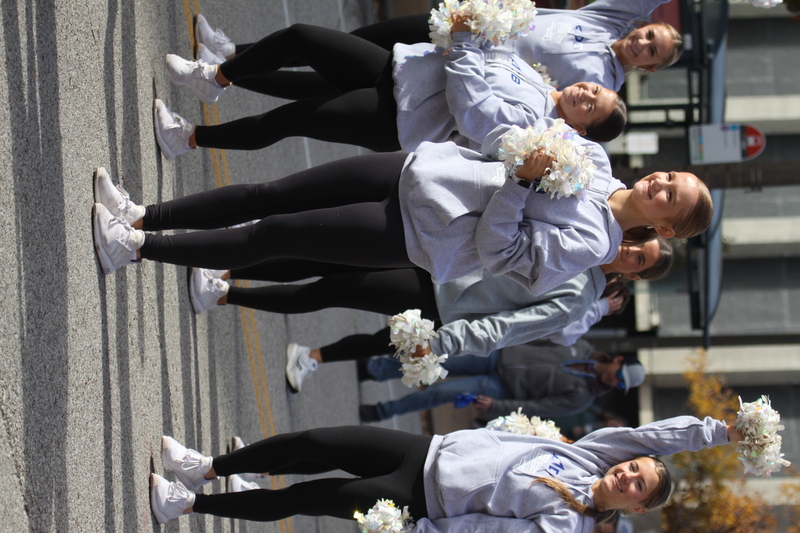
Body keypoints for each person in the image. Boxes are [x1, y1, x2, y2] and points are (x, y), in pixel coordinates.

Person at [92, 120, 712, 297]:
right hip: (420, 168)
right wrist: (525, 145)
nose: (661, 182)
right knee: (270, 193)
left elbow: (502, 254)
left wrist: (521, 184)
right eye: (672, 176)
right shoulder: (598, 165)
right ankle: (147, 214)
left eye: (671, 197)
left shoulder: (592, 247)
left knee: (273, 234)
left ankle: (137, 249)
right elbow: (514, 140)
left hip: (415, 230)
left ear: (662, 228)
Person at [149, 416, 744, 530]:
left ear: (635, 509)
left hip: (418, 501)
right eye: (635, 470)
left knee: (306, 498)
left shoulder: (570, 525)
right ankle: (209, 467)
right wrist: (717, 433)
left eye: (638, 485)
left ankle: (187, 505)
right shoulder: (593, 456)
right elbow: (650, 435)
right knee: (315, 441)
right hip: (426, 449)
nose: (630, 475)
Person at [154, 18, 627, 161]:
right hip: (398, 69)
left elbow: (472, 112)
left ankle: (188, 138)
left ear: (581, 126)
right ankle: (215, 79)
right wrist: (477, 25)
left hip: (396, 116)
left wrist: (464, 44)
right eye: (593, 90)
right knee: (302, 37)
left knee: (292, 118)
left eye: (593, 105)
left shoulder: (536, 124)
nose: (587, 93)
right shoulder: (540, 79)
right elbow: (479, 55)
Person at [194, 0, 682, 95]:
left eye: (651, 51)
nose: (641, 43)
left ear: (650, 68)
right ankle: (232, 52)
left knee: (332, 73)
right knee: (353, 42)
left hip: (458, 65)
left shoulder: (603, 88)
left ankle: (234, 73)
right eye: (647, 34)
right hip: (456, 29)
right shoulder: (604, 20)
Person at [352, 339, 645, 423]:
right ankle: (377, 369)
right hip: (499, 355)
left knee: (442, 393)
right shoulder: (582, 347)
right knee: (436, 357)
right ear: (617, 360)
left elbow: (537, 409)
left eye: (620, 385)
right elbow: (538, 337)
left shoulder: (584, 398)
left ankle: (381, 411)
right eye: (619, 375)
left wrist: (496, 406)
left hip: (499, 389)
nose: (614, 381)